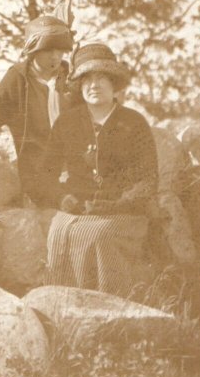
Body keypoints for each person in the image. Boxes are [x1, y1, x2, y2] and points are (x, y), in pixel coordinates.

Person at [40, 42, 158, 299]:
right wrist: (62, 198)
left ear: (114, 84)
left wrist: (118, 203)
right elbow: (46, 173)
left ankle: (110, 304)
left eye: (102, 78)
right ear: (79, 86)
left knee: (96, 234)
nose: (94, 85)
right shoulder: (67, 123)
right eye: (87, 79)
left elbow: (148, 180)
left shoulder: (133, 123)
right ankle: (64, 305)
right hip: (78, 209)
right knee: (59, 232)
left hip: (125, 213)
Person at [0, 13, 74, 207]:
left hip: (76, 164)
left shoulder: (72, 80)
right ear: (33, 50)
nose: (55, 56)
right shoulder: (19, 80)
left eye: (60, 50)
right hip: (40, 171)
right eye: (48, 49)